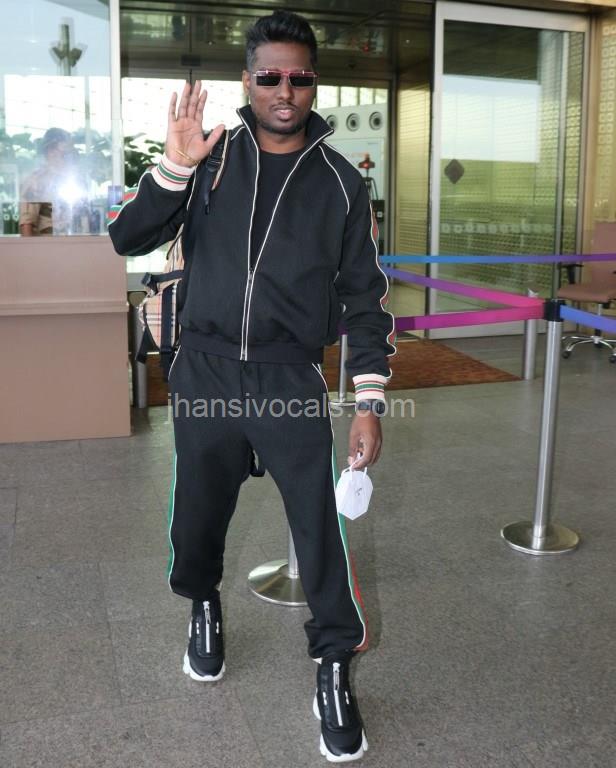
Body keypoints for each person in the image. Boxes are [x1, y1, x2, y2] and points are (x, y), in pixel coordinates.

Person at [109, 10, 395, 763]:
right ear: (247, 80)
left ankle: (333, 664)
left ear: (314, 83)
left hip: (289, 376)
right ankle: (202, 603)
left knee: (319, 528)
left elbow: (365, 301)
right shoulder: (210, 159)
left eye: (299, 77)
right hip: (203, 369)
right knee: (197, 514)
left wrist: (369, 401)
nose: (284, 90)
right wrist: (174, 168)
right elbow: (127, 237)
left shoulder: (341, 185)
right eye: (269, 75)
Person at [19, 128, 78, 236]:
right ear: (51, 151)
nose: (69, 156)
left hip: (76, 243)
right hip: (47, 244)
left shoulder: (74, 180)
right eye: (65, 152)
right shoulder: (36, 181)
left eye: (71, 152)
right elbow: (27, 224)